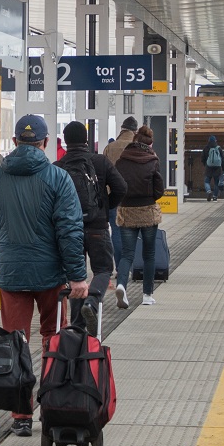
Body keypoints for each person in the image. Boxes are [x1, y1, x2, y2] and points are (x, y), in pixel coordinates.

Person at [0, 114, 89, 437]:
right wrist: (77, 276)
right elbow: (70, 230)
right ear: (46, 143)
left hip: (11, 273)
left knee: (16, 343)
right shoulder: (58, 178)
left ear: (15, 141)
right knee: (52, 339)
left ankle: (21, 415)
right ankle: (51, 405)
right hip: (51, 277)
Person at [57, 120, 127, 314]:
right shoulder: (100, 162)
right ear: (86, 140)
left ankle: (77, 322)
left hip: (70, 230)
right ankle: (92, 302)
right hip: (97, 226)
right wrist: (105, 206)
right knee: (103, 270)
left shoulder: (59, 166)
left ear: (65, 140)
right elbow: (121, 187)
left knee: (75, 275)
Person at [115, 124, 166, 305]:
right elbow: (159, 189)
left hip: (127, 211)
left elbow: (117, 186)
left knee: (127, 254)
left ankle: (121, 286)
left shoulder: (121, 161)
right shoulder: (152, 161)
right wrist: (150, 197)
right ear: (150, 144)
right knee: (149, 254)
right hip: (147, 212)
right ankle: (147, 295)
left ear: (134, 141)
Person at [103, 115, 139, 268]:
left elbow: (103, 174)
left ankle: (120, 267)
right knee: (134, 233)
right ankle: (132, 266)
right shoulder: (138, 147)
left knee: (116, 232)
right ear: (135, 131)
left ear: (122, 129)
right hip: (134, 197)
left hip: (114, 197)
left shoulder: (110, 147)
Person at [203, 135, 224, 202]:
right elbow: (223, 159)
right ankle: (215, 197)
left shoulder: (206, 148)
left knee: (207, 181)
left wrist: (205, 164)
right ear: (215, 140)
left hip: (208, 167)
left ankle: (208, 191)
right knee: (216, 182)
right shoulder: (219, 148)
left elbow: (203, 158)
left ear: (209, 141)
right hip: (217, 168)